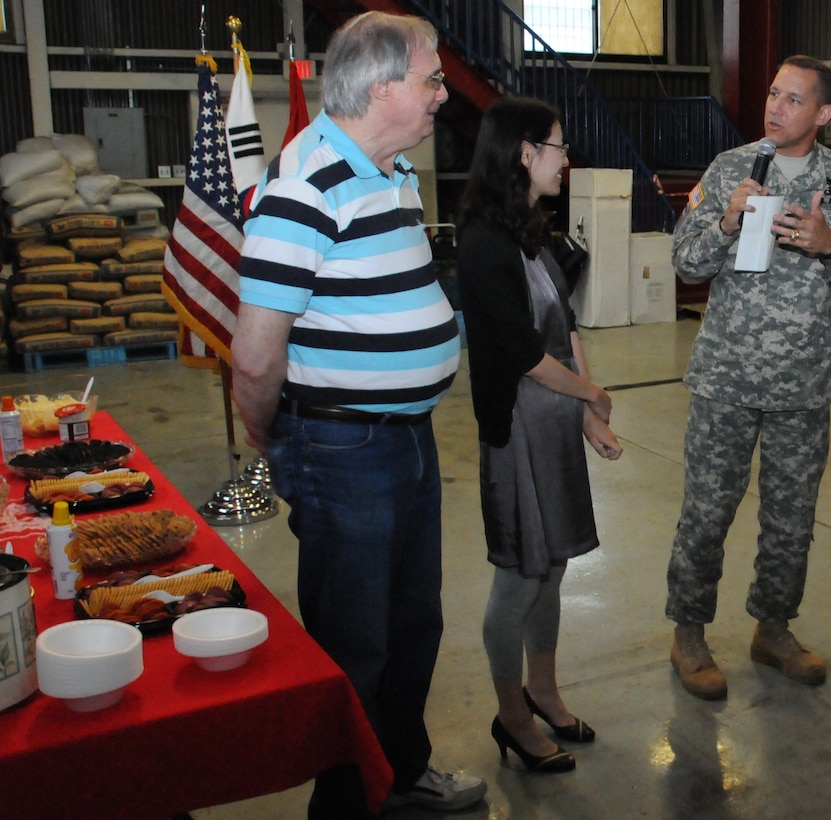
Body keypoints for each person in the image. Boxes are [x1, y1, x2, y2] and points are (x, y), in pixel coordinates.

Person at [231, 12, 486, 817]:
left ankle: (401, 774)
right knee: (354, 646)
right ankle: (347, 808)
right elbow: (254, 356)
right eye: (431, 79)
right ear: (382, 88)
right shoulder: (303, 187)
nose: (443, 95)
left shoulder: (394, 172)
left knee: (414, 625)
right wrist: (279, 440)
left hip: (406, 441)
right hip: (340, 447)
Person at [665, 55, 831, 700]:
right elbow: (684, 257)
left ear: (822, 115)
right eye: (771, 94)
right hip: (727, 376)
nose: (774, 108)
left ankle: (773, 628)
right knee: (707, 512)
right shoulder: (730, 167)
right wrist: (727, 219)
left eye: (793, 100)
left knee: (792, 517)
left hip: (804, 382)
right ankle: (688, 632)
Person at [456, 96, 623, 773]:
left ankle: (546, 691)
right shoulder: (482, 243)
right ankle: (511, 715)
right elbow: (523, 352)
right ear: (524, 152)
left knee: (551, 568)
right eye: (556, 145)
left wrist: (585, 413)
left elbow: (567, 327)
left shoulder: (529, 227)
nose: (565, 157)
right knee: (518, 577)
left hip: (554, 423)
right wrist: (591, 393)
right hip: (518, 429)